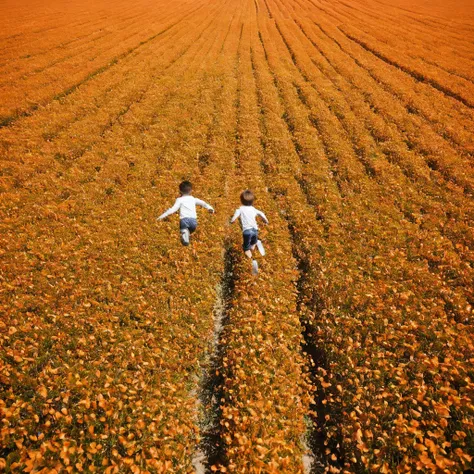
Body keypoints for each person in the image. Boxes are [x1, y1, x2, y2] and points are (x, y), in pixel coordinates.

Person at [157, 181, 214, 246]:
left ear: (180, 191)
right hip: (193, 222)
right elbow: (203, 203)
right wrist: (210, 208)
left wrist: (161, 216)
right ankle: (186, 235)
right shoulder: (193, 199)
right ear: (191, 191)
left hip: (184, 220)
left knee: (183, 229)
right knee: (190, 231)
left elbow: (173, 209)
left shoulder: (179, 200)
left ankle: (184, 233)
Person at [230, 190, 268, 275]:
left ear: (241, 200)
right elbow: (261, 214)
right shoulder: (253, 209)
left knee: (246, 249)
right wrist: (266, 221)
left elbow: (234, 217)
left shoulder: (240, 209)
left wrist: (231, 221)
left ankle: (252, 260)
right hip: (255, 230)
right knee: (253, 243)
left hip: (247, 232)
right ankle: (255, 245)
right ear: (252, 201)